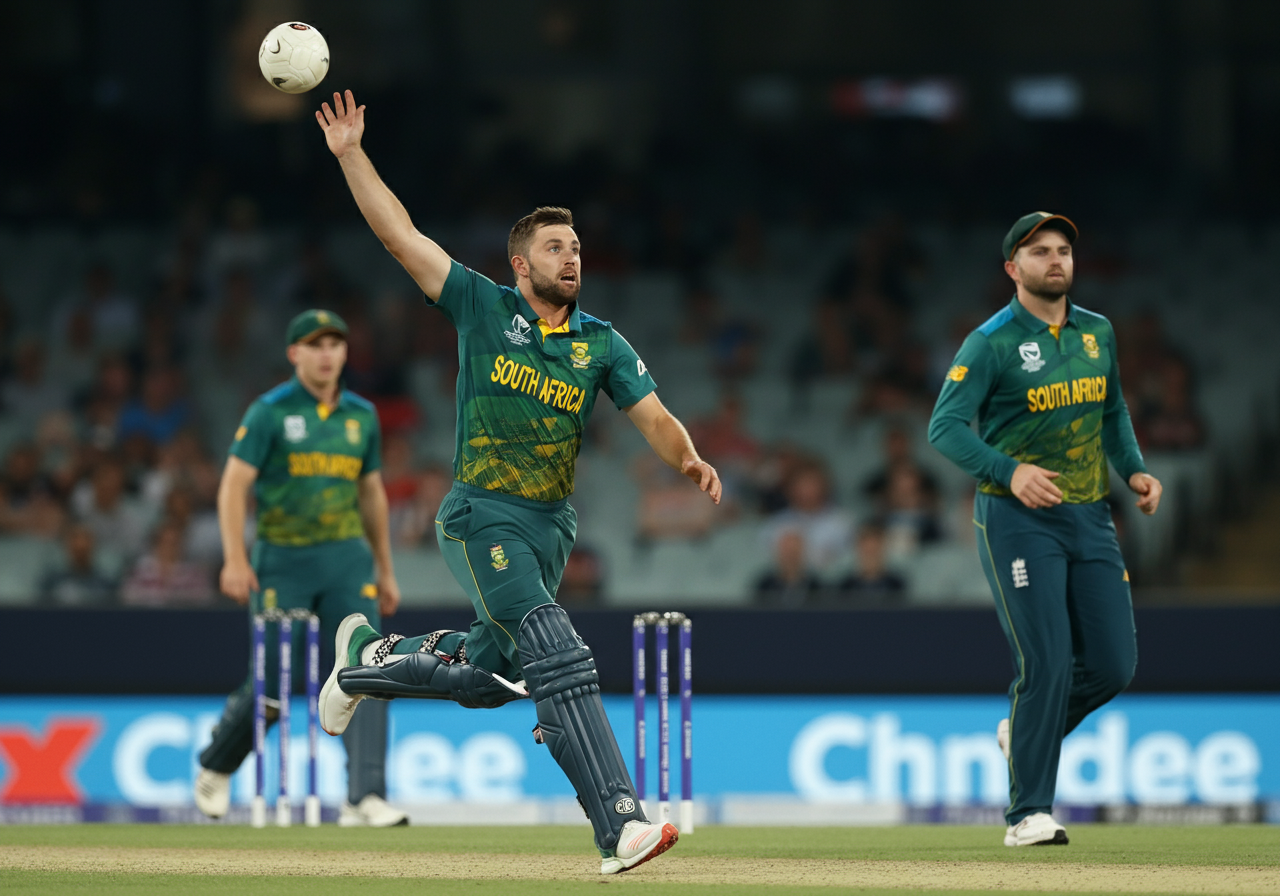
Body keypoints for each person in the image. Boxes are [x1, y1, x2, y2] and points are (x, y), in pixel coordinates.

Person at [312, 90, 721, 875]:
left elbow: (655, 416)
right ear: (521, 262)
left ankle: (362, 660)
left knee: (489, 675)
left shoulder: (602, 343)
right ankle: (621, 826)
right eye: (556, 246)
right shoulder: (481, 305)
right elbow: (401, 238)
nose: (573, 256)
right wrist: (351, 154)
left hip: (549, 527)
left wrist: (688, 458)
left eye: (577, 247)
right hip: (480, 515)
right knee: (554, 649)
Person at [927, 212, 1162, 847]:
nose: (1055, 260)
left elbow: (1111, 409)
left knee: (1115, 665)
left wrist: (1135, 471)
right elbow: (943, 428)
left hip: (1090, 515)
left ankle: (1024, 728)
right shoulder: (991, 341)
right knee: (1048, 660)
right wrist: (1010, 470)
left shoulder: (1097, 332)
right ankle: (1027, 814)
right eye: (1039, 251)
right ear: (1013, 268)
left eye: (1063, 250)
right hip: (1018, 519)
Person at [193, 308, 407, 828]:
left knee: (366, 669)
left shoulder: (361, 415)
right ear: (294, 354)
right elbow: (233, 486)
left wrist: (385, 568)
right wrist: (236, 559)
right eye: (315, 345)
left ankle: (365, 796)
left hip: (345, 558)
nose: (327, 353)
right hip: (283, 560)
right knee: (271, 681)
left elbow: (371, 493)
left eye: (335, 343)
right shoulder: (269, 412)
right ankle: (216, 765)